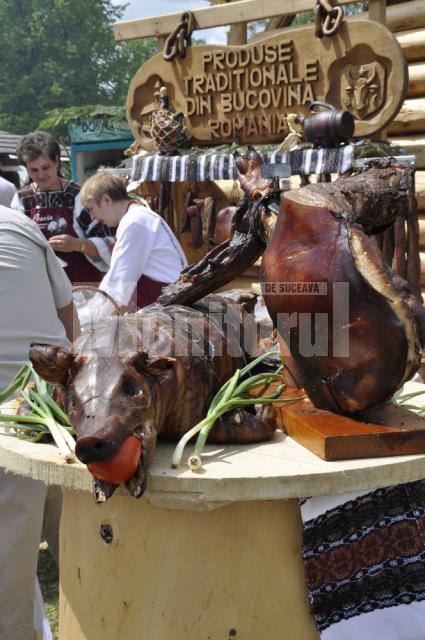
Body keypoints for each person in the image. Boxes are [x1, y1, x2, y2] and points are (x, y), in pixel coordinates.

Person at [0, 205, 79, 639]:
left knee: (7, 576)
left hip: (12, 423)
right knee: (84, 544)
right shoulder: (18, 222)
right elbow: (68, 315)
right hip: (55, 405)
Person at [11, 131, 114, 285]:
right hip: (39, 284)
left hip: (82, 283)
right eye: (34, 170)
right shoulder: (22, 199)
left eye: (46, 167)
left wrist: (77, 244)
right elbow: (14, 243)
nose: (41, 175)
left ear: (57, 162)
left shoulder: (79, 195)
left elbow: (108, 243)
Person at [80, 172, 188, 309]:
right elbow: (115, 276)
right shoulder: (136, 218)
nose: (92, 217)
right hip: (168, 302)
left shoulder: (135, 222)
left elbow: (120, 283)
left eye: (91, 208)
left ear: (106, 200)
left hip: (171, 305)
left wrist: (88, 318)